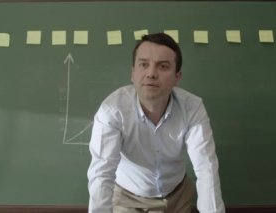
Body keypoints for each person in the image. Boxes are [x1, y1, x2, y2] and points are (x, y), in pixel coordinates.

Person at [87, 32, 225, 213]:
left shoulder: (192, 108)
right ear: (133, 73)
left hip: (178, 197)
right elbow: (102, 174)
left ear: (177, 77)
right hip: (128, 199)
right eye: (143, 64)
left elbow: (206, 168)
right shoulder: (112, 110)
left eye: (163, 66)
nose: (151, 73)